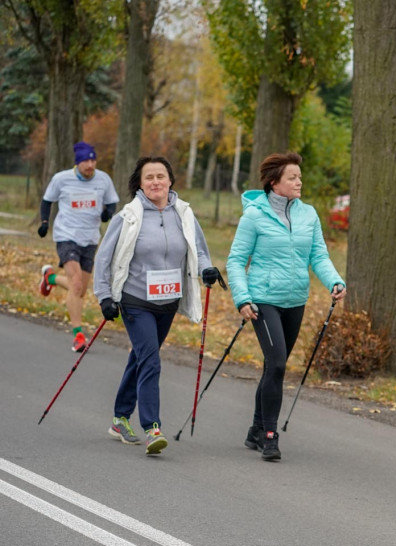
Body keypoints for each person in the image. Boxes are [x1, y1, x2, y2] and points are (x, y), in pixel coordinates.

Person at [93, 157, 221, 456]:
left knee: (140, 358)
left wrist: (207, 270)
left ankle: (119, 418)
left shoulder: (184, 214)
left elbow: (198, 251)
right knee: (151, 361)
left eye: (160, 176)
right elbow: (103, 259)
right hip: (136, 301)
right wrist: (104, 297)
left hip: (169, 301)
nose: (155, 182)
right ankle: (152, 428)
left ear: (170, 180)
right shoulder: (128, 217)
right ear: (140, 183)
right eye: (148, 177)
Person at [226, 152, 346, 462]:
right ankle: (269, 435)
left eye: (299, 176)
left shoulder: (309, 214)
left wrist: (334, 281)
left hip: (296, 301)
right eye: (292, 177)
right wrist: (243, 298)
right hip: (263, 300)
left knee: (272, 367)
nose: (299, 181)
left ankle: (254, 428)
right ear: (274, 183)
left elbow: (318, 256)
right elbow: (237, 261)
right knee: (277, 363)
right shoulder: (254, 215)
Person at [38, 141, 119, 352]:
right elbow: (47, 201)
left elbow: (112, 202)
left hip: (90, 239)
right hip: (66, 235)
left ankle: (50, 278)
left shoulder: (103, 179)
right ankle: (78, 335)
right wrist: (45, 223)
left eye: (93, 160)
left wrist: (106, 213)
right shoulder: (62, 179)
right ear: (78, 163)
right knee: (75, 284)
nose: (91, 165)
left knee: (81, 290)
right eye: (86, 161)